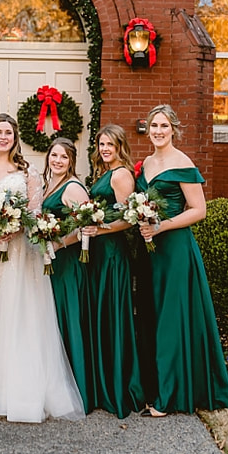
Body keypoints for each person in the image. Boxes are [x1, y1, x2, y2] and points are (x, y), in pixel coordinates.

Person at [0, 114, 84, 422]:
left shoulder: (28, 172)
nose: (3, 137)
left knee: (19, 314)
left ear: (15, 137)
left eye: (8, 132)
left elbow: (34, 212)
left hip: (21, 253)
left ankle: (20, 391)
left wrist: (14, 227)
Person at [135, 104, 228, 417]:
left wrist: (161, 225)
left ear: (173, 129)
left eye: (164, 126)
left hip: (175, 248)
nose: (159, 131)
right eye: (154, 126)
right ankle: (153, 388)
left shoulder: (183, 163)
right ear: (148, 129)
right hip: (149, 251)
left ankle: (170, 395)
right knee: (151, 315)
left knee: (171, 320)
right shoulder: (147, 163)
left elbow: (198, 210)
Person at [80, 124, 145, 418]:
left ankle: (117, 388)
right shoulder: (104, 173)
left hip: (112, 255)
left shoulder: (120, 175)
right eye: (102, 144)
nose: (105, 149)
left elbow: (128, 219)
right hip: (97, 252)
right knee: (100, 315)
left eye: (110, 144)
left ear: (120, 146)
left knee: (111, 315)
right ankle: (102, 385)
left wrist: (100, 229)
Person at [41, 137, 98, 413]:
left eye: (64, 157)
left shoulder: (74, 187)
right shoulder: (48, 184)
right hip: (51, 262)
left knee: (68, 317)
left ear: (71, 161)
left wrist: (56, 243)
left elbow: (83, 230)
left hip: (67, 263)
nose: (58, 161)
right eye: (54, 155)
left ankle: (78, 388)